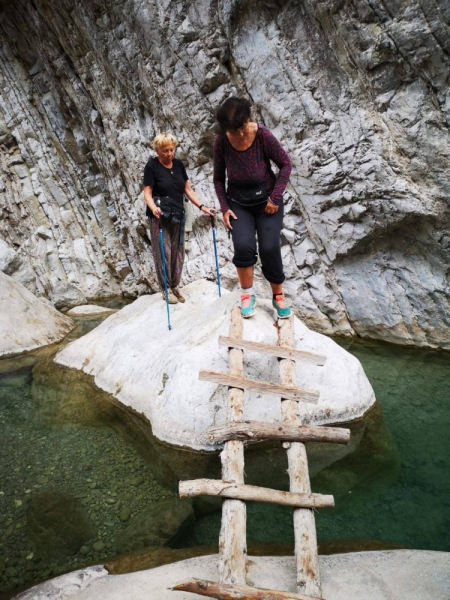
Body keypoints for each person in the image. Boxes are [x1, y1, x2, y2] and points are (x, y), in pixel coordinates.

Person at [213, 97, 292, 318]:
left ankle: (278, 297)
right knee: (243, 246)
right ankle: (247, 294)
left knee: (269, 248)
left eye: (242, 127)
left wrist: (275, 198)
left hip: (267, 201)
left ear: (248, 118)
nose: (239, 133)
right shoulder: (221, 141)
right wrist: (224, 208)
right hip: (238, 203)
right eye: (233, 130)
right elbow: (218, 179)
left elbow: (285, 164)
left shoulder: (263, 135)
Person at [143, 132, 215, 304]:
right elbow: (147, 193)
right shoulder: (152, 166)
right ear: (157, 150)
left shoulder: (178, 165)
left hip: (178, 214)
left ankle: (175, 286)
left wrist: (202, 207)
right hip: (160, 216)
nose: (169, 154)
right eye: (165, 151)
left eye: (172, 150)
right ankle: (166, 288)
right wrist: (154, 209)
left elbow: (187, 190)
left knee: (178, 251)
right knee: (163, 251)